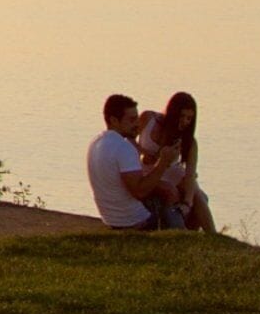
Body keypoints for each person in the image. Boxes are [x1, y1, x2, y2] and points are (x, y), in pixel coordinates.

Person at [86, 93, 169, 231]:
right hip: (134, 220)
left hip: (110, 218)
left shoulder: (95, 143)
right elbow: (140, 191)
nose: (137, 124)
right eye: (131, 120)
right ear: (114, 120)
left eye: (137, 119)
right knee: (172, 194)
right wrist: (163, 162)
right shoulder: (123, 147)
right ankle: (185, 238)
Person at [156, 89, 214, 234]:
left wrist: (187, 203)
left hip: (175, 176)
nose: (185, 122)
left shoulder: (189, 143)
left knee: (199, 195)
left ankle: (212, 234)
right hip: (154, 175)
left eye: (189, 118)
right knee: (191, 192)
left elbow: (190, 173)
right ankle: (191, 233)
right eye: (182, 116)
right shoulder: (153, 124)